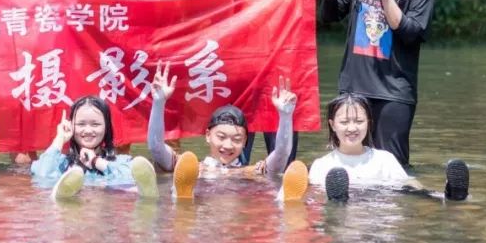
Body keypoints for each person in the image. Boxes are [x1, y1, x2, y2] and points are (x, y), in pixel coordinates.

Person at [321, 0, 435, 169]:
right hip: (354, 89)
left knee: (393, 169)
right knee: (348, 165)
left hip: (393, 93)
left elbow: (411, 33)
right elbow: (329, 16)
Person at [224, 0, 317, 165]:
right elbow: (228, 39)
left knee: (283, 166)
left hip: (282, 83)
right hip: (246, 84)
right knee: (233, 164)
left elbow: (303, 36)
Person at [147, 62, 309, 201]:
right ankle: (181, 195)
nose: (228, 145)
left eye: (237, 139)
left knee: (272, 185)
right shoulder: (190, 168)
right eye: (221, 137)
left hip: (241, 213)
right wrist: (159, 102)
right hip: (202, 211)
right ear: (208, 135)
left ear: (246, 141)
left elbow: (281, 154)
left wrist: (286, 115)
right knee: (175, 177)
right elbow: (156, 147)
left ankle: (283, 199)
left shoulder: (252, 172)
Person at [308, 93, 470, 202]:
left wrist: (430, 193)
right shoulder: (322, 165)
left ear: (369, 124)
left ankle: (451, 195)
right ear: (333, 125)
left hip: (379, 211)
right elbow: (313, 196)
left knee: (409, 190)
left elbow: (408, 182)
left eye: (359, 121)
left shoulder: (383, 159)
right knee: (338, 203)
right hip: (351, 209)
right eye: (344, 122)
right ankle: (339, 203)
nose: (352, 128)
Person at [30, 95, 159, 200]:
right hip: (74, 214)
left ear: (106, 128)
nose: (88, 130)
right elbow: (41, 174)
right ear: (72, 126)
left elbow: (131, 175)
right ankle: (65, 198)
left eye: (95, 124)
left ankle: (148, 196)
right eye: (81, 124)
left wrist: (96, 162)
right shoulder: (62, 164)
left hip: (107, 207)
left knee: (131, 187)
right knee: (54, 184)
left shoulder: (119, 162)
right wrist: (60, 138)